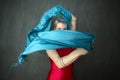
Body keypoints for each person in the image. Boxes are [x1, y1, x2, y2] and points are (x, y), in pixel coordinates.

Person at [46, 14, 88, 80]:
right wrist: (78, 52)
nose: (62, 32)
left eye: (64, 29)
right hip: (56, 78)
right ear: (55, 29)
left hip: (69, 77)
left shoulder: (70, 40)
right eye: (59, 29)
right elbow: (59, 64)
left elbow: (74, 19)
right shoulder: (49, 44)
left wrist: (62, 11)